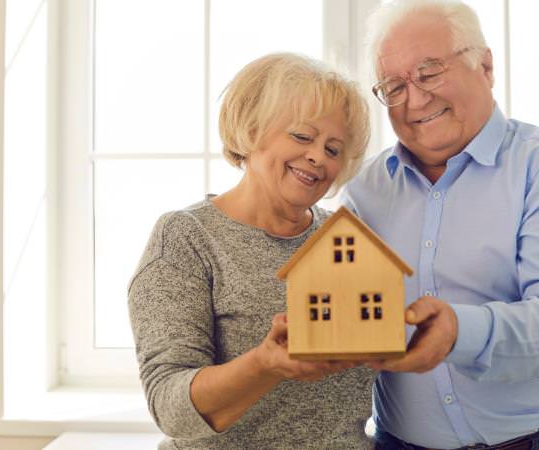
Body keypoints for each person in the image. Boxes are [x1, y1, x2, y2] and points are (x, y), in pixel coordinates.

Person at [342, 1, 539, 449]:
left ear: (484, 65)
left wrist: (460, 333)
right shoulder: (363, 191)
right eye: (393, 86)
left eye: (429, 73)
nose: (415, 98)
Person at [128, 53, 375, 449]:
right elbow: (170, 408)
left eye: (333, 149)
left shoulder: (346, 239)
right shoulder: (187, 238)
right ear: (251, 128)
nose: (318, 156)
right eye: (301, 136)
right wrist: (265, 363)